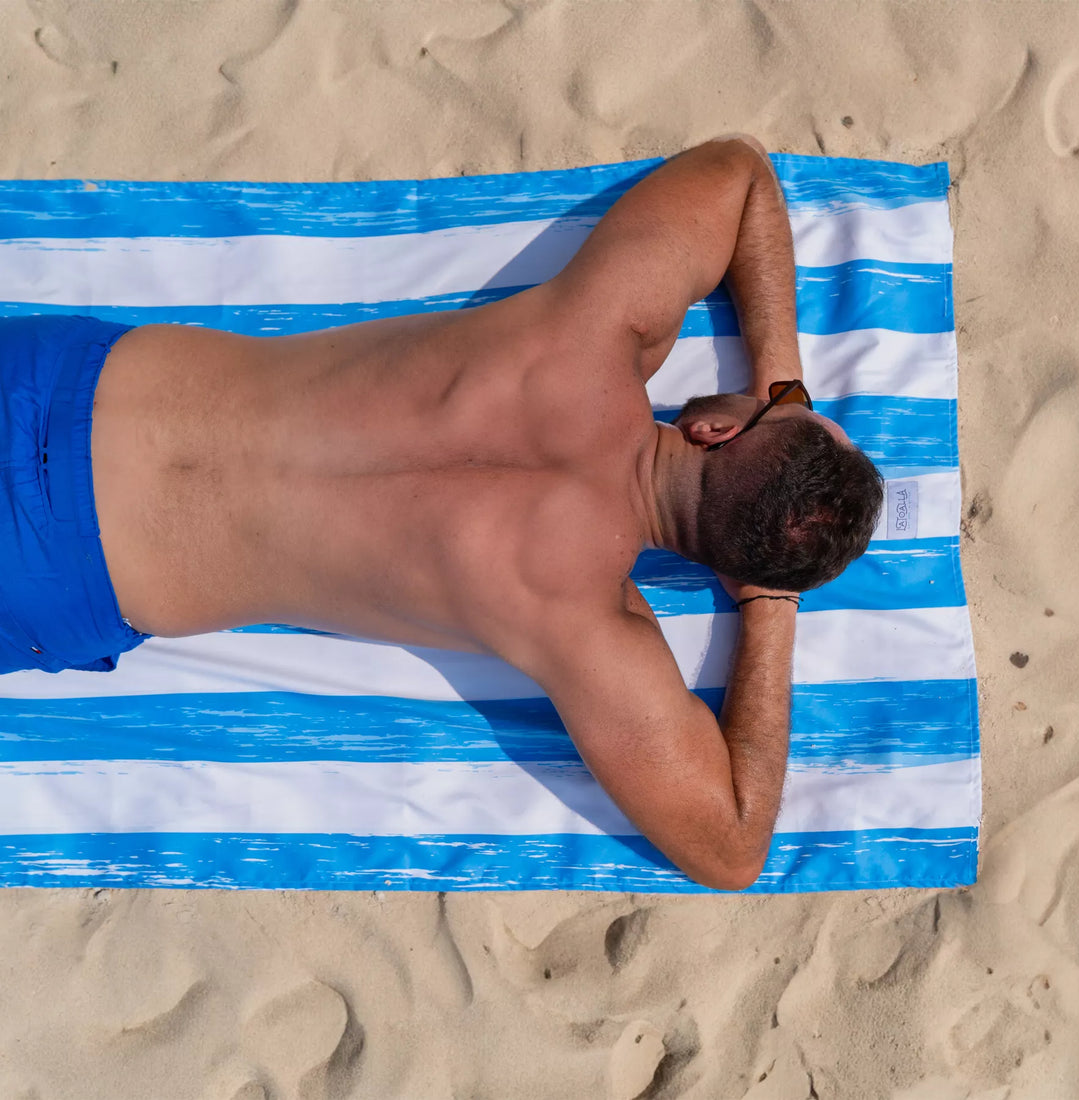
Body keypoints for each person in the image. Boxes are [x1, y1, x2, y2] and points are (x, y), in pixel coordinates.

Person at [0, 135, 882, 889]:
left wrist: (785, 382)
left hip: (66, 391)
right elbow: (732, 848)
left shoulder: (597, 327)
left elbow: (740, 174)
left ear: (717, 427)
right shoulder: (587, 630)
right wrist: (767, 600)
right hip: (64, 571)